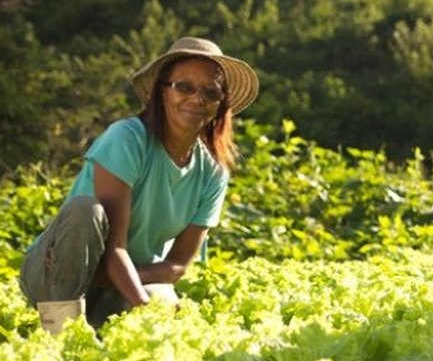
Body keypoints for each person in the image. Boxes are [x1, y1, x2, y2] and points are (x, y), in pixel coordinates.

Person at [19, 36, 259, 331]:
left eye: (211, 92)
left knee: (167, 312)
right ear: (161, 92)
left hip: (121, 280)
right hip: (55, 273)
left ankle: (94, 324)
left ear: (219, 106)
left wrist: (131, 286)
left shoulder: (213, 173)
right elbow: (113, 247)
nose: (197, 98)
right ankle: (60, 330)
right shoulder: (127, 139)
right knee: (87, 209)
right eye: (184, 86)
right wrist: (142, 304)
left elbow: (177, 265)